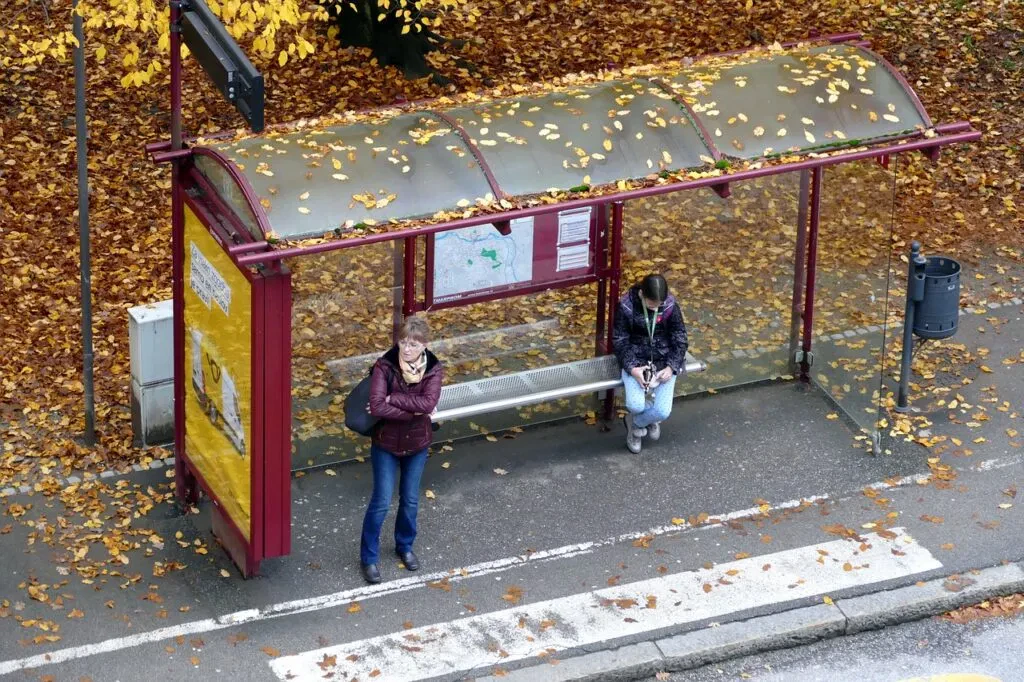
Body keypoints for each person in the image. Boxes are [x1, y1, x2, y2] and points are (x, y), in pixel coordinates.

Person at [360, 316, 443, 584]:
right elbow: (376, 406)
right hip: (386, 443)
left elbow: (429, 403)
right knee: (381, 502)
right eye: (404, 342)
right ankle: (369, 558)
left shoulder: (433, 369)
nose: (407, 349)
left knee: (410, 501)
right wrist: (414, 410)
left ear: (424, 346)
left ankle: (404, 546)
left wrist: (394, 399)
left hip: (417, 444)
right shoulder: (384, 366)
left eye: (414, 344)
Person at [612, 274, 689, 454]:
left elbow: (680, 338)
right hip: (637, 360)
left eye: (658, 304)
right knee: (635, 405)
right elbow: (620, 341)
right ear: (641, 294)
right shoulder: (626, 306)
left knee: (662, 412)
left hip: (664, 361)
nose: (656, 308)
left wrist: (671, 366)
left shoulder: (669, 306)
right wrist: (633, 368)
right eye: (651, 304)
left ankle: (635, 424)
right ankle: (644, 418)